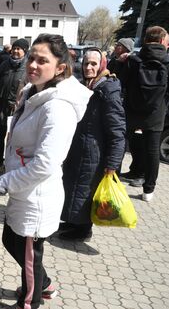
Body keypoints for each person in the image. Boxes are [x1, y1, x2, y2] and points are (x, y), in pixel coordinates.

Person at [0, 34, 92, 309]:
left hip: (37, 194)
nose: (32, 64)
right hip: (24, 190)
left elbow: (45, 163)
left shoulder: (58, 108)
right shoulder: (34, 92)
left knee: (30, 255)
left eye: (42, 60)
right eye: (32, 58)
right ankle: (44, 285)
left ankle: (31, 299)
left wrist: (3, 181)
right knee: (11, 239)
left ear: (60, 68)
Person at [60, 48, 126, 241]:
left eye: (93, 64)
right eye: (86, 63)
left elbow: (117, 130)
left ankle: (83, 230)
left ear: (102, 65)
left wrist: (112, 163)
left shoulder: (108, 90)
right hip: (78, 149)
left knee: (85, 191)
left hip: (95, 153)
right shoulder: (86, 86)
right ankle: (72, 223)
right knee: (74, 188)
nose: (89, 67)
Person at [119, 26, 169, 202]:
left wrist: (121, 61)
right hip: (156, 113)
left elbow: (121, 82)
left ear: (146, 40)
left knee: (121, 145)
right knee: (152, 150)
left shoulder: (134, 59)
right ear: (163, 41)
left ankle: (114, 180)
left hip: (131, 110)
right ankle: (148, 190)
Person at [0, 38, 29, 172]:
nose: (16, 51)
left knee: (14, 140)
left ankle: (11, 166)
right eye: (14, 48)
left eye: (19, 49)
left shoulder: (28, 67)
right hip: (0, 107)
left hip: (16, 110)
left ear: (25, 51)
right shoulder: (5, 64)